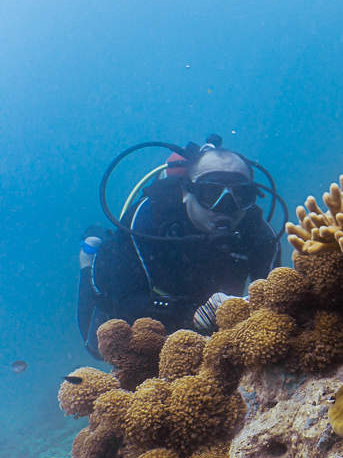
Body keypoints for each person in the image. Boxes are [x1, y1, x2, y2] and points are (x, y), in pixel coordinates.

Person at [77, 143, 280, 358]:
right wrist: (191, 313)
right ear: (186, 192)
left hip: (204, 302)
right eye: (211, 193)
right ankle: (88, 258)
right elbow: (125, 301)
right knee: (97, 349)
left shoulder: (259, 235)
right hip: (150, 293)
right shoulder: (147, 220)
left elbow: (270, 300)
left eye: (241, 194)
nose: (226, 206)